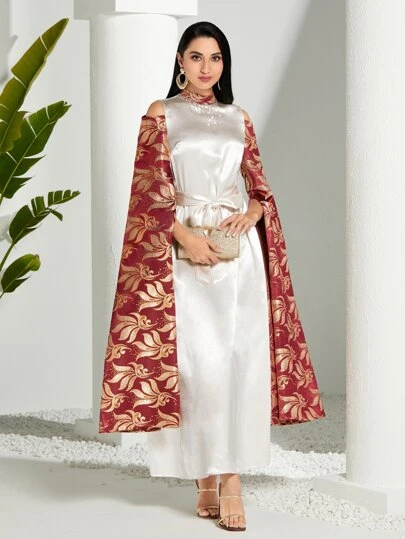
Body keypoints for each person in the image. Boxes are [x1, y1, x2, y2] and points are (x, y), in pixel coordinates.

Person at [99, 20, 325, 533]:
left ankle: (230, 478)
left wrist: (250, 214)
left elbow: (260, 189)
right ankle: (203, 471)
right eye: (197, 56)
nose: (207, 67)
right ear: (180, 61)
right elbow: (148, 191)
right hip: (181, 252)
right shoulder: (161, 114)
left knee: (239, 364)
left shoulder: (238, 118)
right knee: (197, 368)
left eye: (216, 58)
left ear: (225, 64)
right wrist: (185, 238)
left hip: (237, 257)